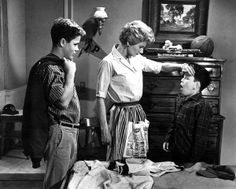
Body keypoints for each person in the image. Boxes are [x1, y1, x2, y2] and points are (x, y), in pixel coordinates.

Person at [95, 20, 195, 162]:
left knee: (137, 156)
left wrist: (180, 66)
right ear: (129, 42)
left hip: (137, 112)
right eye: (140, 47)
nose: (141, 50)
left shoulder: (137, 59)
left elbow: (159, 66)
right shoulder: (108, 62)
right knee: (119, 157)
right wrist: (104, 129)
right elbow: (100, 98)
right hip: (120, 114)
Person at [22, 18, 86, 189]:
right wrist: (71, 73)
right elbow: (63, 102)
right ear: (63, 42)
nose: (77, 49)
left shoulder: (58, 66)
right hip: (61, 131)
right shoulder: (51, 68)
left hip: (68, 131)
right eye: (75, 44)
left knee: (65, 183)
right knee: (56, 185)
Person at [163, 63, 213, 166]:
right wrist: (168, 138)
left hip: (189, 157)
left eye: (186, 78)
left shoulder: (202, 105)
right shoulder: (180, 99)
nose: (181, 80)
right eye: (182, 77)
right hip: (175, 152)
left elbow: (200, 138)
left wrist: (193, 161)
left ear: (196, 85)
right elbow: (175, 123)